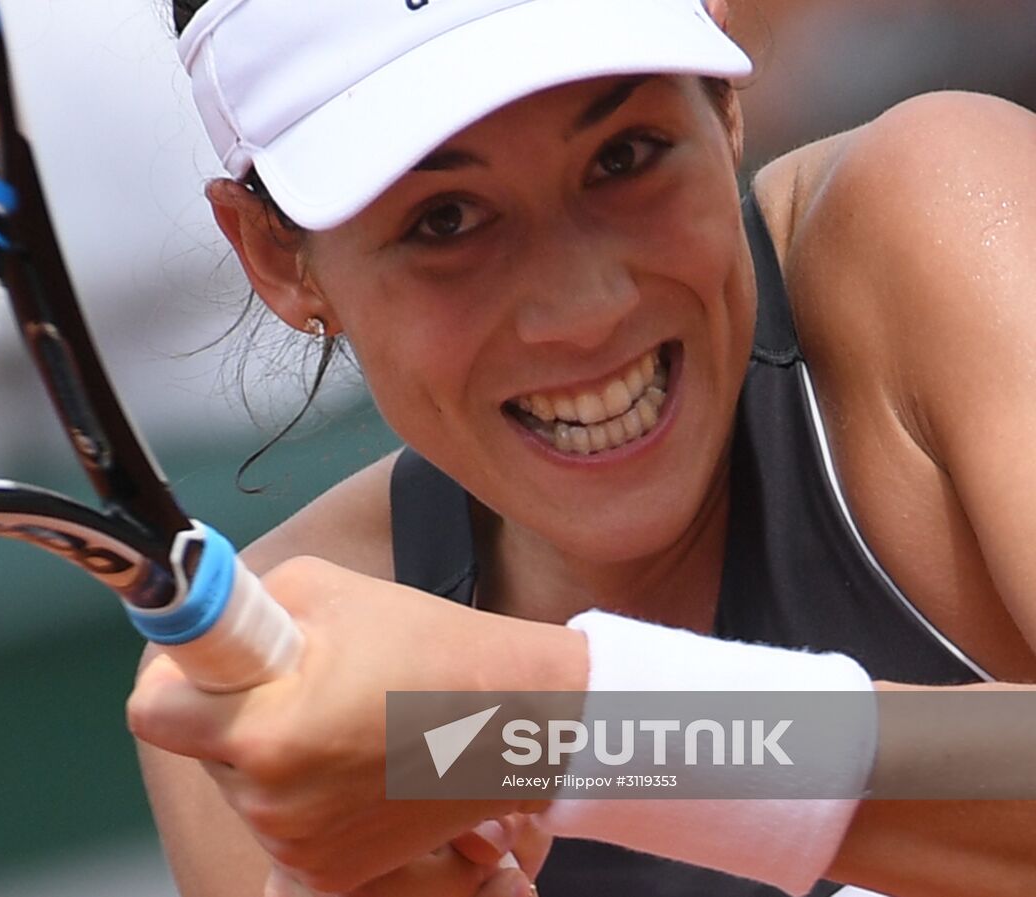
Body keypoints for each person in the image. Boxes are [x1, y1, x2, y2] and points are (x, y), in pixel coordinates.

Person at [129, 1, 1036, 895]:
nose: (585, 309)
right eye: (445, 219)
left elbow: (539, 731)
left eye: (623, 156)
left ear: (719, 88)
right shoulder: (260, 680)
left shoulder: (946, 213)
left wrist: (558, 727)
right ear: (275, 256)